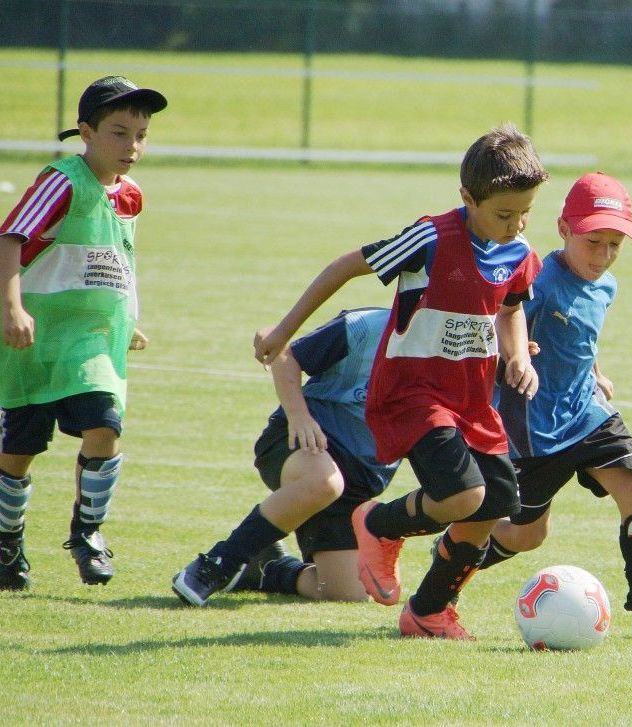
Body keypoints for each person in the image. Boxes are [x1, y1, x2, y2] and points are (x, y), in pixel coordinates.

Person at [253, 123, 548, 639]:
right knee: (462, 496)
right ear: (467, 198)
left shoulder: (518, 253)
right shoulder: (430, 238)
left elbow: (510, 309)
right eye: (504, 214)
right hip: (412, 393)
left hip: (472, 401)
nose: (516, 224)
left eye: (526, 212)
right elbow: (345, 267)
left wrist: (518, 354)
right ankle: (377, 524)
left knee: (498, 503)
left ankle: (428, 611)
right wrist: (283, 330)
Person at [471, 172, 632, 639]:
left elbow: (579, 337)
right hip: (534, 426)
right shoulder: (538, 280)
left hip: (587, 414)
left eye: (615, 245)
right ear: (564, 229)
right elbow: (495, 323)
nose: (604, 255)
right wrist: (512, 359)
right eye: (594, 242)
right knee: (527, 534)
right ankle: (453, 561)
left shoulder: (606, 286)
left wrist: (595, 372)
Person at [0, 76, 167, 591]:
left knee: (105, 426)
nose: (132, 146)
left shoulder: (131, 196)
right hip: (32, 340)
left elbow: (115, 260)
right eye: (119, 132)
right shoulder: (62, 180)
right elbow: (9, 239)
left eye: (140, 135)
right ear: (86, 132)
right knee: (18, 451)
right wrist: (12, 309)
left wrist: (127, 318)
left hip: (93, 339)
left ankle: (87, 534)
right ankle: (7, 542)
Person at [172, 307, 401, 605]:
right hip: (302, 442)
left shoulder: (454, 350)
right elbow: (282, 351)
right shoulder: (366, 326)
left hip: (356, 483)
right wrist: (299, 416)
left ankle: (267, 569)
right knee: (324, 481)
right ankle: (220, 562)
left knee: (348, 594)